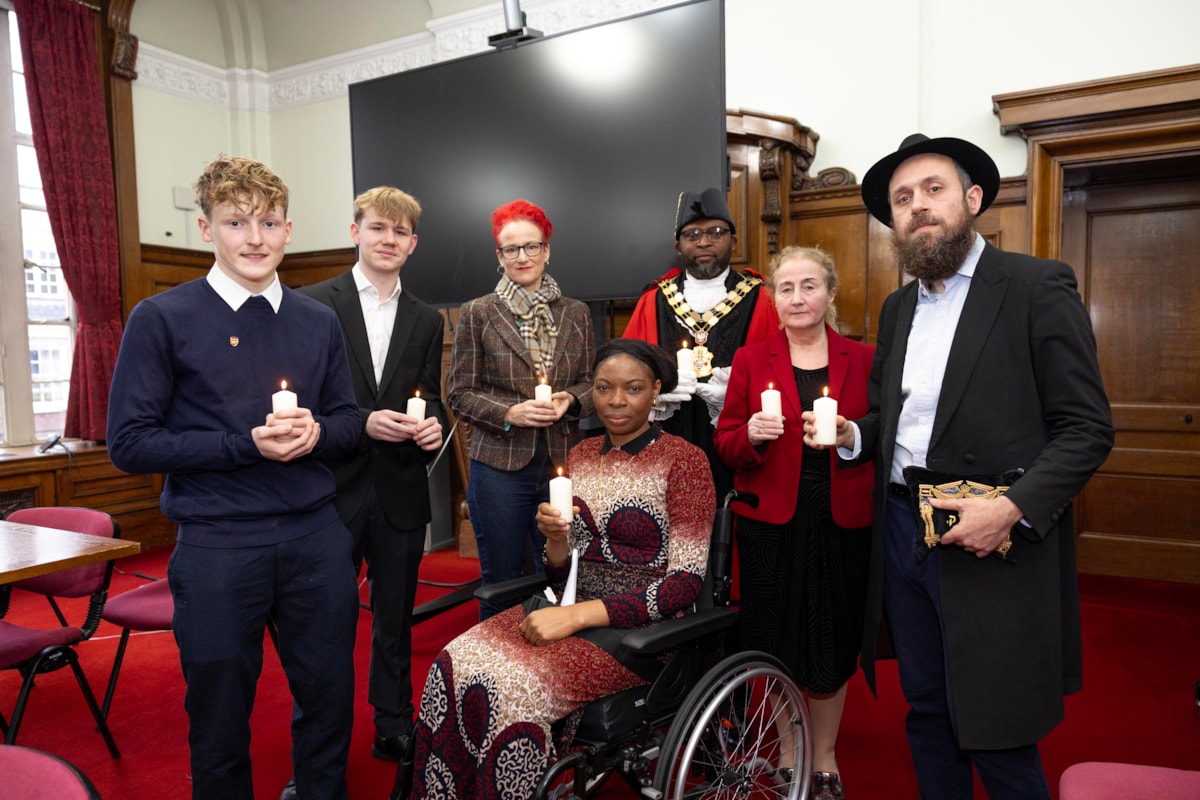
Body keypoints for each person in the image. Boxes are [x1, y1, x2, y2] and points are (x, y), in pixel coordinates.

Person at [809, 134, 1114, 799]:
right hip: (901, 528)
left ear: (973, 199)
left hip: (990, 532)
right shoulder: (897, 309)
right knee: (927, 709)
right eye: (902, 198)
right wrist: (853, 437)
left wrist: (1010, 509)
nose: (917, 206)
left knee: (996, 723)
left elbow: (1087, 429)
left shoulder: (1036, 285)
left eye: (933, 189)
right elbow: (895, 415)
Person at [106, 155, 362, 800]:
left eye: (269, 222)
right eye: (236, 221)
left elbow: (348, 420)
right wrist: (244, 444)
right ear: (205, 230)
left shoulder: (317, 319)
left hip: (316, 538)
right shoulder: (161, 318)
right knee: (219, 715)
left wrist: (318, 434)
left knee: (330, 697)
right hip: (218, 544)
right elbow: (130, 445)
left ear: (289, 229)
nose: (255, 237)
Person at [405, 339, 716, 799]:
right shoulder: (583, 455)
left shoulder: (684, 461)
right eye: (605, 388)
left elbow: (685, 585)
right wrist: (554, 540)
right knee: (451, 665)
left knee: (513, 688)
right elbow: (560, 573)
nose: (615, 401)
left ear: (655, 392)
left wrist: (576, 616)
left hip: (643, 630)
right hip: (568, 605)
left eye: (632, 389)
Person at [714, 245, 874, 800]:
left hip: (840, 520)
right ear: (773, 299)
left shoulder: (866, 358)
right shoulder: (752, 360)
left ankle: (824, 753)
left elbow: (881, 434)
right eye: (786, 288)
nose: (798, 297)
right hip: (771, 524)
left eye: (809, 286)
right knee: (776, 637)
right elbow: (726, 441)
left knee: (832, 639)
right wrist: (751, 437)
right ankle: (788, 747)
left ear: (829, 294)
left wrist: (853, 436)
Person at [297, 187, 444, 772]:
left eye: (400, 232)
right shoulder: (311, 303)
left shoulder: (428, 318)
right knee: (321, 627)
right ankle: (318, 750)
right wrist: (362, 423)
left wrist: (430, 426)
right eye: (378, 228)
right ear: (355, 230)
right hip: (329, 487)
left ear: (413, 244)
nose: (389, 240)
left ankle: (393, 724)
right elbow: (297, 400)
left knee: (394, 622)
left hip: (402, 489)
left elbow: (425, 395)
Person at [446, 199, 595, 621]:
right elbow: (459, 393)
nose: (523, 257)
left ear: (547, 250)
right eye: (511, 249)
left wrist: (572, 400)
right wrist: (510, 413)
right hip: (499, 467)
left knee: (562, 575)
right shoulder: (478, 313)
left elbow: (590, 382)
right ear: (499, 256)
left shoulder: (577, 313)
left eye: (532, 246)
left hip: (562, 464)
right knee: (502, 582)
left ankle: (551, 674)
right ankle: (496, 677)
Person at [622, 187, 777, 499]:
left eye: (715, 232)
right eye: (693, 234)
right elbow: (624, 376)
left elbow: (780, 374)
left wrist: (740, 395)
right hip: (665, 442)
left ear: (733, 241)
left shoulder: (763, 298)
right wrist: (655, 395)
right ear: (679, 246)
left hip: (734, 446)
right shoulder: (653, 300)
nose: (704, 242)